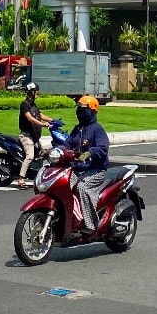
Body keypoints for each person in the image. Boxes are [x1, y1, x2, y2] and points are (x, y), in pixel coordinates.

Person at [67, 94, 110, 234]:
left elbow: (103, 147)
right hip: (77, 169)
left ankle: (91, 225)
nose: (79, 113)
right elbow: (66, 145)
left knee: (82, 187)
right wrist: (52, 151)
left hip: (95, 170)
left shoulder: (97, 129)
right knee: (63, 185)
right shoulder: (77, 129)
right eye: (78, 110)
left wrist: (90, 152)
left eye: (83, 110)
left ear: (91, 111)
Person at [15, 81, 53, 188]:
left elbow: (40, 115)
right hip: (26, 137)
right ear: (31, 92)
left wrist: (53, 120)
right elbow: (29, 118)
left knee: (44, 154)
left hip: (34, 137)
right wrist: (42, 124)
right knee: (30, 156)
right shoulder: (25, 105)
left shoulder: (33, 105)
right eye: (36, 91)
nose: (37, 93)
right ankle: (21, 179)